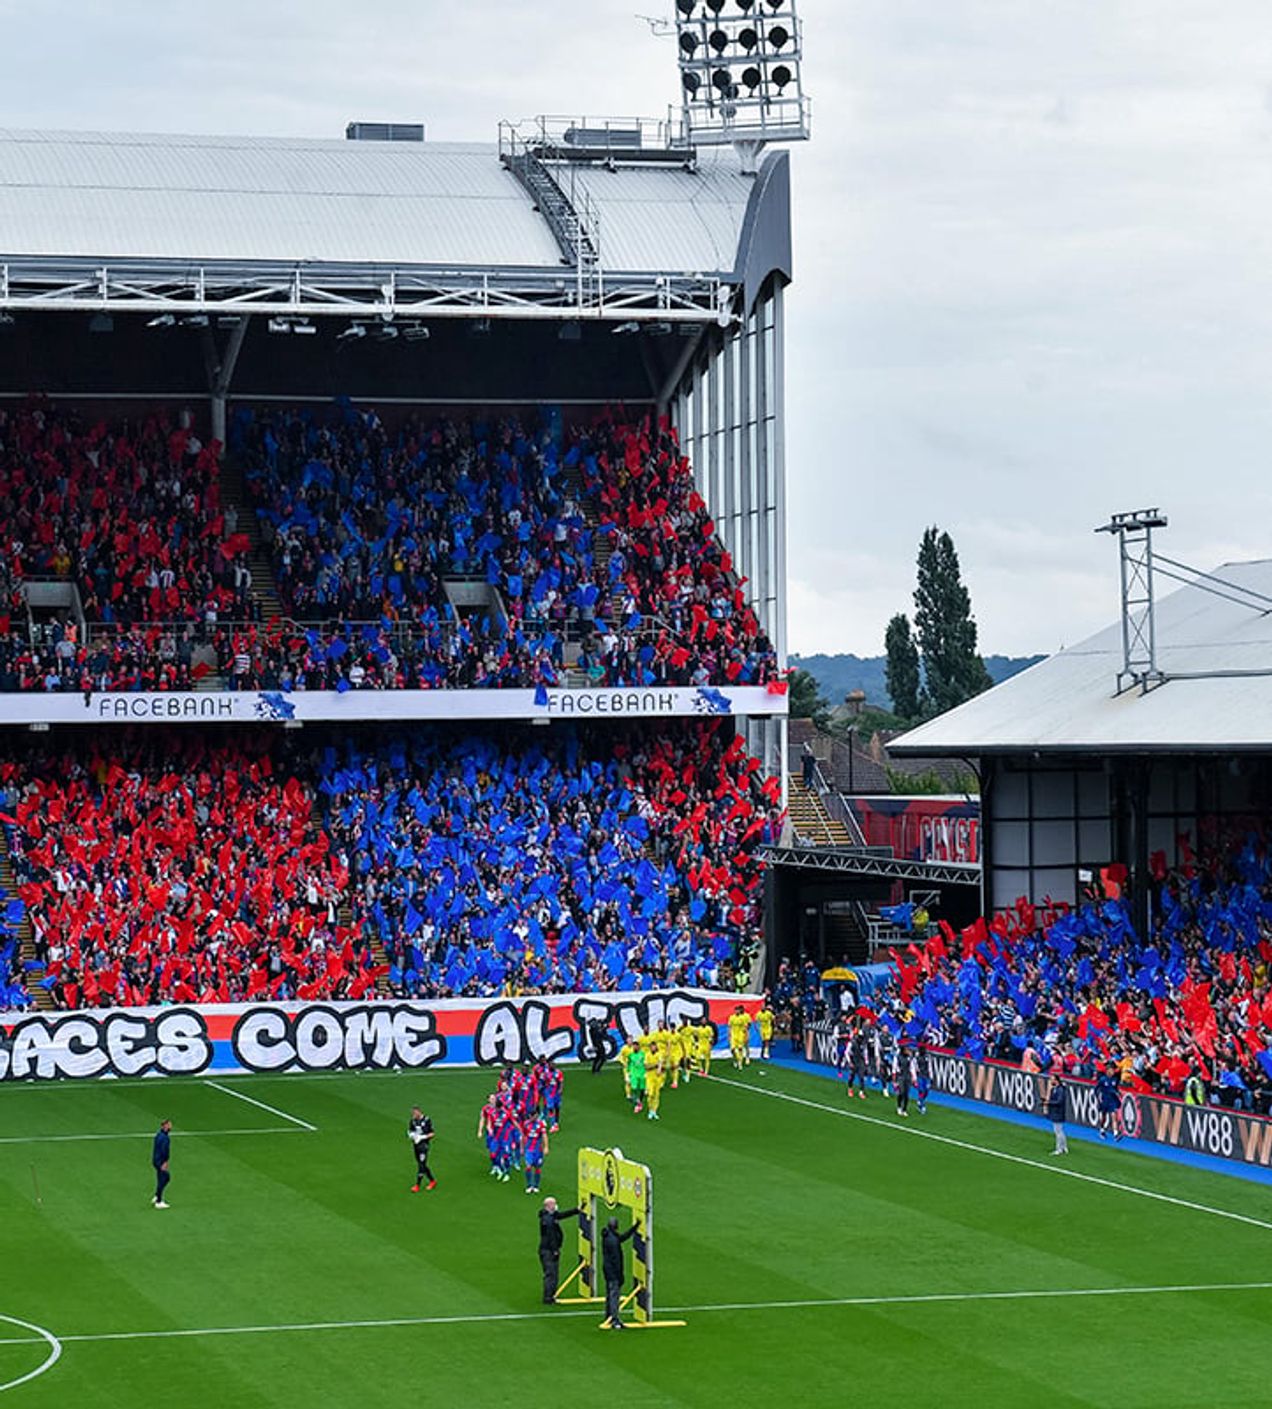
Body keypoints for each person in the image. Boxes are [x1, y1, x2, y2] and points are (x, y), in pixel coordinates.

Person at [538, 1197, 581, 1303]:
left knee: (552, 1274)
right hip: (548, 1251)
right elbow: (551, 1236)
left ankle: (550, 1295)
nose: (556, 1206)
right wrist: (555, 1250)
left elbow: (561, 1215)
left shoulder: (549, 1216)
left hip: (547, 1250)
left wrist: (576, 1210)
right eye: (554, 1204)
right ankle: (548, 1297)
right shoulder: (548, 1220)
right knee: (551, 1274)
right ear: (548, 1206)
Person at [601, 1216, 636, 1330]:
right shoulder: (613, 1240)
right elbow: (617, 1260)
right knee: (614, 1295)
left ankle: (609, 1315)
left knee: (609, 1294)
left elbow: (621, 1237)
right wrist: (620, 1275)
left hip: (607, 1269)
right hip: (613, 1271)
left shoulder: (609, 1236)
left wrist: (634, 1228)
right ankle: (615, 1319)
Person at [408, 1106, 436, 1192]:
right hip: (416, 1145)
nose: (414, 1115)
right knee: (422, 1164)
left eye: (415, 1113)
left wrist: (422, 1137)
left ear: (419, 1112)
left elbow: (432, 1133)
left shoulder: (427, 1120)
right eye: (413, 1113)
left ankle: (417, 1185)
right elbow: (410, 1131)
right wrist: (412, 1136)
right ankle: (432, 1181)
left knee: (421, 1165)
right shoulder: (413, 1121)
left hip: (424, 1146)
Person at [522, 1111, 548, 1194]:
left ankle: (536, 1186)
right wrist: (522, 1148)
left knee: (537, 1167)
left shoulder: (540, 1124)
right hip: (528, 1149)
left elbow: (544, 1136)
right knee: (528, 1166)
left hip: (538, 1150)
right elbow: (523, 1136)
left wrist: (546, 1147)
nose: (536, 1118)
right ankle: (529, 1185)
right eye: (534, 1116)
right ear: (530, 1116)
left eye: (536, 1116)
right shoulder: (526, 1124)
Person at [1045, 1067, 1068, 1155]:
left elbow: (1059, 1101)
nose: (1051, 1081)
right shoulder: (1054, 1089)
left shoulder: (1060, 1090)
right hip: (1056, 1112)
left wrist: (1049, 1103)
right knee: (1060, 1130)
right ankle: (1064, 1147)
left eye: (1052, 1079)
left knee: (1058, 1131)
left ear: (1056, 1081)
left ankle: (1059, 1149)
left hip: (1059, 1112)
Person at [1094, 1066, 1122, 1142]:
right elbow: (1096, 1089)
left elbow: (1116, 1088)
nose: (1112, 1072)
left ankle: (1116, 1134)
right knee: (1104, 1117)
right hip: (1104, 1100)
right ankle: (1102, 1129)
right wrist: (1098, 1098)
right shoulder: (1103, 1079)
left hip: (1112, 1100)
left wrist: (1118, 1093)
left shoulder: (1115, 1080)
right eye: (1111, 1070)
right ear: (1107, 1071)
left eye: (1113, 1070)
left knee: (1114, 1116)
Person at [152, 1118, 172, 1209]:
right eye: (169, 1125)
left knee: (161, 1178)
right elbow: (164, 1151)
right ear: (165, 1126)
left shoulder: (158, 1135)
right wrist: (164, 1162)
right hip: (160, 1161)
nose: (171, 1126)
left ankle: (157, 1195)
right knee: (165, 1178)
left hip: (156, 1160)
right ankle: (158, 1200)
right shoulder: (165, 1138)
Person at [628, 1038, 648, 1114]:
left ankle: (640, 1101)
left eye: (636, 1046)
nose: (635, 1048)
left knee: (642, 1089)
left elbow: (646, 1063)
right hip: (634, 1074)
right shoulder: (631, 1055)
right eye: (634, 1046)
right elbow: (629, 1064)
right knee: (634, 1088)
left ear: (639, 1047)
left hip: (642, 1074)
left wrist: (646, 1072)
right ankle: (637, 1104)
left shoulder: (643, 1054)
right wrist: (628, 1073)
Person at [728, 1005, 751, 1069]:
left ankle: (741, 1062)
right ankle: (735, 1059)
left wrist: (745, 1032)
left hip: (741, 1035)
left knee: (741, 1048)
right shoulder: (731, 1017)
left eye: (738, 1010)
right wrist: (729, 1035)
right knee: (732, 1049)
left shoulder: (743, 1017)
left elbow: (747, 1025)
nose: (737, 1011)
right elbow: (730, 1027)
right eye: (736, 1010)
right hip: (733, 1035)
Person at [893, 1045, 911, 1117]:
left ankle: (904, 1109)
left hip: (907, 1077)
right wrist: (894, 1080)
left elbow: (912, 1067)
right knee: (901, 1092)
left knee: (906, 1094)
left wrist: (913, 1078)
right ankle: (899, 1107)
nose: (908, 1051)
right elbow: (894, 1068)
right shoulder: (897, 1058)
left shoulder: (909, 1058)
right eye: (906, 1050)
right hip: (900, 1076)